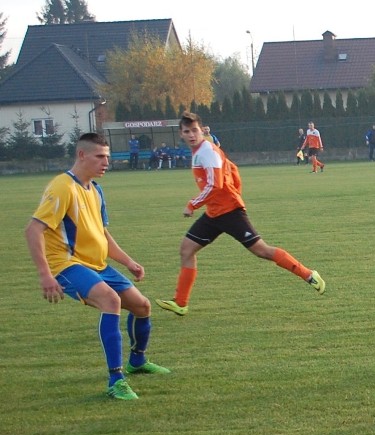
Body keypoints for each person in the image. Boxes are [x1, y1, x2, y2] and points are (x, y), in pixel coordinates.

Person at [24, 133, 170, 400]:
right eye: (100, 157)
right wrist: (45, 274)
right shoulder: (62, 187)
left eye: (108, 157)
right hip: (67, 265)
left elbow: (101, 234)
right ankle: (116, 380)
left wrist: (127, 261)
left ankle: (137, 361)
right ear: (82, 155)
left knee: (142, 306)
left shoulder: (96, 189)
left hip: (96, 265)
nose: (106, 163)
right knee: (110, 300)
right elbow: (33, 229)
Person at [156, 112, 325, 317]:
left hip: (229, 212)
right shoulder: (200, 151)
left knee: (262, 251)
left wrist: (193, 204)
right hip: (214, 213)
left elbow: (215, 184)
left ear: (202, 130)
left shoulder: (207, 151)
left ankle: (309, 275)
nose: (191, 134)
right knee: (186, 250)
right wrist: (233, 191)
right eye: (186, 131)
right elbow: (233, 170)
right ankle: (181, 303)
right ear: (181, 134)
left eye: (194, 130)